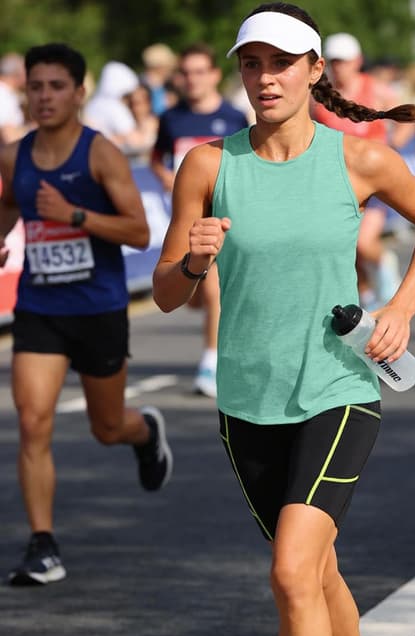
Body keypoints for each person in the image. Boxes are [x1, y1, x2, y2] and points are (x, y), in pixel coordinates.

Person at [152, 4, 415, 636]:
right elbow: (167, 296)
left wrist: (401, 305)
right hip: (246, 401)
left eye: (283, 62)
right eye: (252, 63)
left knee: (290, 571)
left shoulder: (359, 159)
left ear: (315, 69)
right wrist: (191, 258)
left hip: (337, 388)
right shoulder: (207, 163)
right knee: (314, 572)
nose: (266, 77)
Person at [0, 43, 172, 586]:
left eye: (56, 86)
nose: (44, 96)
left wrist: (74, 214)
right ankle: (43, 545)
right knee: (33, 422)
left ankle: (143, 432)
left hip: (98, 308)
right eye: (36, 86)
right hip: (39, 308)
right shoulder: (13, 156)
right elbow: (7, 208)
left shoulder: (101, 155)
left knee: (106, 427)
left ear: (78, 93)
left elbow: (140, 232)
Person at [151, 43, 248, 399]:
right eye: (186, 73)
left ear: (213, 75)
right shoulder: (171, 118)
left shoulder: (234, 116)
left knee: (213, 286)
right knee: (193, 291)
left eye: (199, 72)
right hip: (186, 215)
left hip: (224, 216)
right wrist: (165, 177)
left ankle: (211, 359)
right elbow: (155, 157)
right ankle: (213, 339)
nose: (192, 80)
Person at [312, 32, 415, 309]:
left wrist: (395, 142)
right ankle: (365, 292)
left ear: (357, 61)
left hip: (374, 181)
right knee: (344, 245)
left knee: (362, 241)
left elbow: (408, 114)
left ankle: (384, 262)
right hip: (337, 182)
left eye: (344, 61)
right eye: (334, 62)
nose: (340, 67)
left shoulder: (376, 89)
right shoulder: (320, 98)